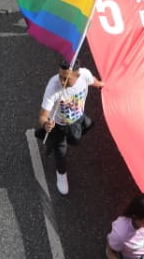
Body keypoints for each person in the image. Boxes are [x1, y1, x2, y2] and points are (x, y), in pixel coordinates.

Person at [36, 62, 104, 196]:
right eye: (60, 76)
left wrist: (102, 85)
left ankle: (46, 136)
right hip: (58, 126)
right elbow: (43, 115)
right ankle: (61, 175)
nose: (61, 81)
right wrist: (45, 125)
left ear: (77, 75)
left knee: (86, 127)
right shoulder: (53, 87)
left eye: (66, 78)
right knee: (60, 152)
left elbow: (93, 81)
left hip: (78, 118)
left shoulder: (84, 74)